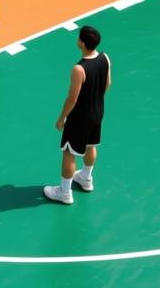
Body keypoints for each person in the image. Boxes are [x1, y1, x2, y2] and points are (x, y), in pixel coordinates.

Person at [43, 26, 112, 205]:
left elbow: (72, 99)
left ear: (82, 43)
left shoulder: (78, 69)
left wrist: (61, 119)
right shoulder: (105, 58)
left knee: (69, 152)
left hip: (80, 119)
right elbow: (107, 84)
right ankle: (86, 178)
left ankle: (64, 192)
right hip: (97, 112)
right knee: (91, 145)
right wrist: (95, 101)